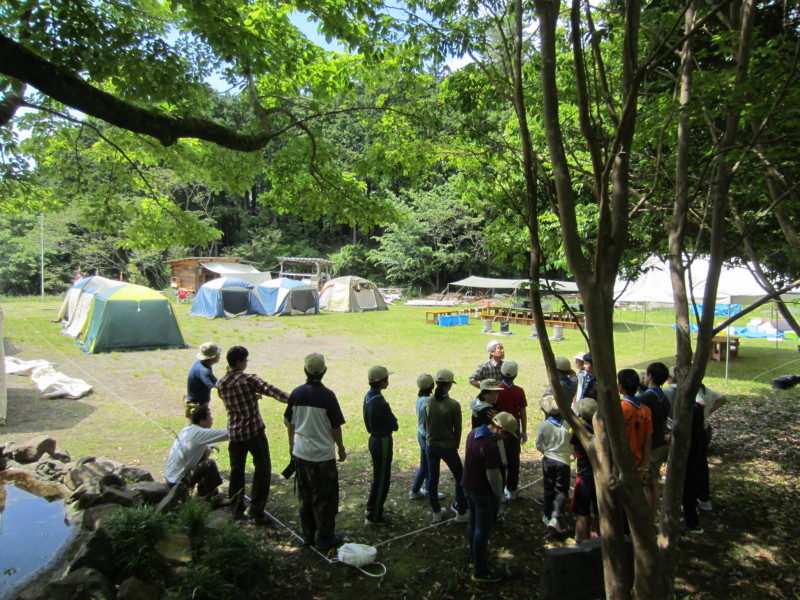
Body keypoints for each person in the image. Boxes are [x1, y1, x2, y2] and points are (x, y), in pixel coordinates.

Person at [216, 345, 289, 524]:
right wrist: (295, 399)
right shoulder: (249, 380)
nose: (246, 363)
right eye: (245, 360)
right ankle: (256, 510)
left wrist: (252, 396)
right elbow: (273, 391)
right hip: (254, 432)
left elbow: (236, 401)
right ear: (238, 362)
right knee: (263, 469)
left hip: (235, 434)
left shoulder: (221, 384)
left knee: (236, 472)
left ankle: (236, 508)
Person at [285, 353, 347, 550]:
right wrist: (341, 448)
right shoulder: (328, 396)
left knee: (305, 495)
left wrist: (291, 444)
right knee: (326, 498)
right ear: (324, 371)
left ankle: (308, 535)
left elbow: (289, 421)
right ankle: (325, 537)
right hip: (322, 456)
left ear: (305, 371)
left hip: (302, 453)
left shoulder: (296, 393)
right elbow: (335, 427)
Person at [462, 411, 519, 584]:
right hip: (481, 492)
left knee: (473, 523)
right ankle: (480, 571)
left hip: (467, 485)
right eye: (507, 435)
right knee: (482, 530)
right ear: (501, 431)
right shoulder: (490, 447)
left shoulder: (474, 433)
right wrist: (498, 495)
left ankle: (473, 558)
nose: (506, 439)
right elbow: (494, 477)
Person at [425, 369, 469, 522]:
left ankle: (436, 511)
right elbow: (458, 428)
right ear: (449, 385)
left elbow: (424, 424)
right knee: (460, 476)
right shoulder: (453, 404)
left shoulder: (427, 402)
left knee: (433, 478)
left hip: (431, 445)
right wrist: (456, 444)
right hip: (447, 446)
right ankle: (461, 511)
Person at [165, 405, 229, 502]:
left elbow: (197, 443)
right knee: (209, 464)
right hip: (178, 482)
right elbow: (227, 434)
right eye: (210, 416)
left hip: (170, 478)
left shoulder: (186, 430)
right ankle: (215, 499)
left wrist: (208, 447)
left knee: (205, 454)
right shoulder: (200, 432)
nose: (212, 418)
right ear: (202, 421)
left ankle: (202, 491)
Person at [363, 365, 398, 525]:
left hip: (374, 438)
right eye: (386, 378)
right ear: (382, 382)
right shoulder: (380, 402)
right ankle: (374, 515)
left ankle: (371, 508)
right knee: (382, 479)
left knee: (378, 476)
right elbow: (394, 424)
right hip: (382, 440)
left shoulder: (369, 395)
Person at [637, 362, 671, 515]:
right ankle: (651, 514)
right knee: (652, 482)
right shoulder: (663, 396)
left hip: (650, 444)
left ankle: (647, 517)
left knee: (646, 482)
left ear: (649, 376)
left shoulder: (647, 398)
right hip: (660, 442)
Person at [535, 394, 572, 533]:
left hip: (548, 459)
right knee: (561, 490)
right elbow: (571, 444)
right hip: (564, 461)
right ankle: (556, 518)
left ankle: (547, 514)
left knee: (548, 487)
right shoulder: (567, 425)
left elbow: (538, 444)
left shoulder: (543, 426)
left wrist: (545, 451)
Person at [409, 373, 444, 501]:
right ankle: (416, 490)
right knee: (427, 466)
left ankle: (426, 490)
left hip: (421, 434)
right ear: (431, 385)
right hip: (427, 436)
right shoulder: (428, 401)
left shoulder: (420, 399)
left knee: (426, 464)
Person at [497, 361, 527, 502]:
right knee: (514, 459)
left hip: (499, 428)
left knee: (500, 460)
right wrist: (524, 430)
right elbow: (523, 412)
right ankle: (512, 490)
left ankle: (501, 490)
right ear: (515, 375)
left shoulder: (497, 389)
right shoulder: (519, 391)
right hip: (514, 428)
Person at [618, 368, 653, 482]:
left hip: (621, 461)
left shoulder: (619, 408)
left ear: (620, 387)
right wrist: (644, 463)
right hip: (639, 462)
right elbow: (648, 439)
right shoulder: (646, 410)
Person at [571, 398, 599, 541]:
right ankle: (600, 537)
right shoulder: (601, 429)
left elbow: (575, 450)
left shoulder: (580, 430)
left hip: (584, 473)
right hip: (600, 473)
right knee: (599, 509)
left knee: (582, 510)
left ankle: (580, 538)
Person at [186, 342, 221, 408]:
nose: (219, 355)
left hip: (196, 403)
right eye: (218, 354)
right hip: (197, 407)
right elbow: (219, 385)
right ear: (212, 357)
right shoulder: (204, 371)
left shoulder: (202, 363)